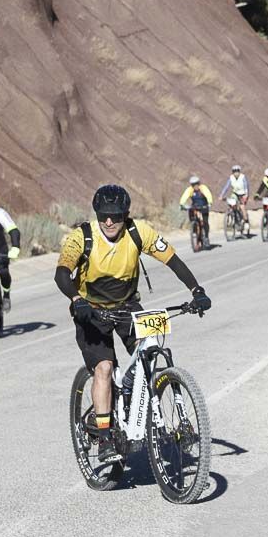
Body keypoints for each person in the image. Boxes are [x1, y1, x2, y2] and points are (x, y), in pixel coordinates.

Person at [54, 184, 211, 464]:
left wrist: (196, 290)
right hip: (90, 311)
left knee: (149, 349)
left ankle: (133, 396)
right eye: (103, 215)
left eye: (115, 215)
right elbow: (62, 274)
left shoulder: (138, 232)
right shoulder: (83, 237)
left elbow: (172, 260)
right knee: (104, 368)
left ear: (125, 215)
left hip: (127, 307)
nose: (109, 221)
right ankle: (103, 439)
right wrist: (77, 299)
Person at [179, 175, 213, 245]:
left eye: (197, 184)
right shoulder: (190, 190)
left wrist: (209, 203)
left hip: (204, 206)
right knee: (191, 213)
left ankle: (206, 237)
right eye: (193, 185)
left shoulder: (203, 188)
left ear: (199, 183)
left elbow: (208, 195)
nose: (195, 186)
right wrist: (181, 204)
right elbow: (184, 196)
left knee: (205, 221)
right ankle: (194, 228)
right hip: (195, 206)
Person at [220, 164, 250, 236]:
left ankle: (246, 222)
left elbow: (246, 186)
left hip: (243, 194)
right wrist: (221, 195)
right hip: (235, 193)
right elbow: (226, 187)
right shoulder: (231, 178)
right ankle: (234, 217)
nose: (236, 173)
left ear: (239, 172)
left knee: (242, 207)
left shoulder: (243, 177)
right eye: (234, 172)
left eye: (237, 172)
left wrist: (246, 194)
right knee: (232, 204)